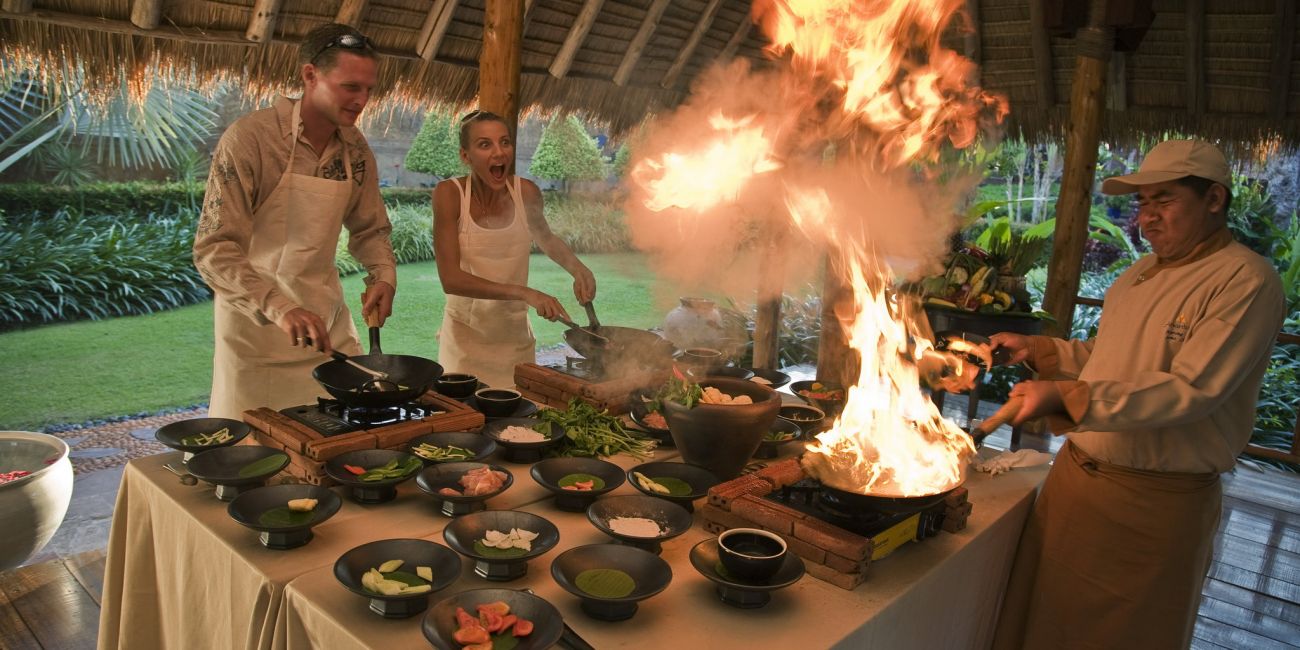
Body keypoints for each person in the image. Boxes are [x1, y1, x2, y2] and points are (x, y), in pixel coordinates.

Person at [989, 139, 1285, 649]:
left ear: (1214, 199)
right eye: (1143, 203)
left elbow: (1190, 390)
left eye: (1164, 200)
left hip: (1152, 508)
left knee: (1125, 635)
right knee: (1040, 625)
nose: (1147, 218)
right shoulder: (1136, 275)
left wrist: (1066, 399)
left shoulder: (1245, 280)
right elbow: (1110, 359)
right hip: (1074, 487)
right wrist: (1038, 349)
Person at [193, 23, 397, 419]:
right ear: (310, 75)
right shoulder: (251, 139)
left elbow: (370, 227)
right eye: (351, 87)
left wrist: (383, 274)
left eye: (369, 90)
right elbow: (214, 249)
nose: (362, 101)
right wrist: (280, 306)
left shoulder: (355, 149)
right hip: (257, 337)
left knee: (337, 448)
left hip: (329, 333)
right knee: (254, 458)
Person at [433, 111, 596, 387]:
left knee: (518, 424)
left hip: (514, 341)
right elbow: (451, 279)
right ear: (466, 156)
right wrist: (525, 293)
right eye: (485, 145)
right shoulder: (449, 195)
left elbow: (546, 238)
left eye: (504, 142)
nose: (499, 153)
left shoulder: (527, 192)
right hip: (464, 342)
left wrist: (579, 269)